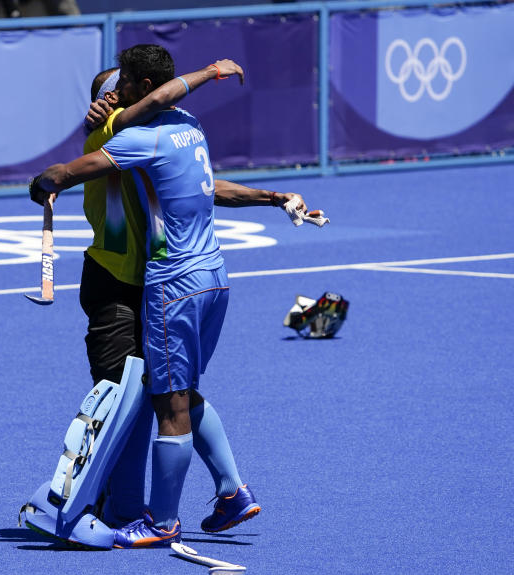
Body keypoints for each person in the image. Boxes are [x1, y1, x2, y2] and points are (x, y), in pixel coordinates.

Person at [31, 44, 327, 548]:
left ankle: (151, 517)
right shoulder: (184, 126)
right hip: (203, 276)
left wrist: (49, 179)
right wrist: (273, 196)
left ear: (140, 93)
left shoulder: (135, 134)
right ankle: (230, 490)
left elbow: (76, 166)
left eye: (124, 85)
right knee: (176, 391)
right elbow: (201, 177)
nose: (118, 93)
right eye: (112, 90)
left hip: (163, 284)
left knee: (154, 401)